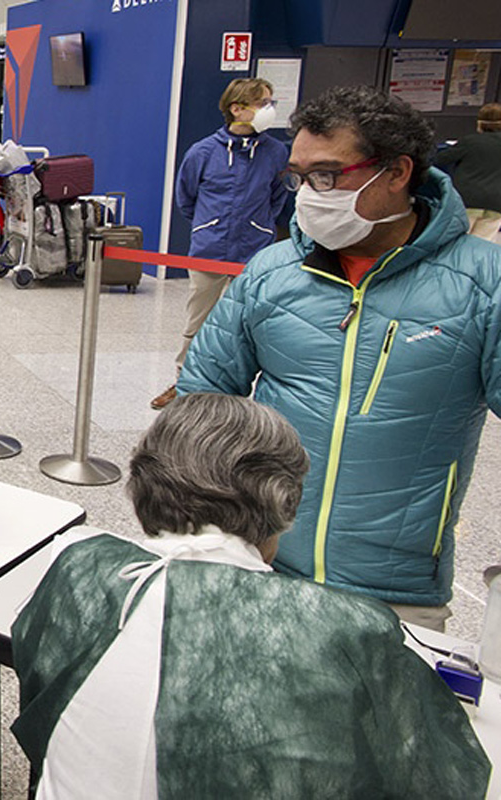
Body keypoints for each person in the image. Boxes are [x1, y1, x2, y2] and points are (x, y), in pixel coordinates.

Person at [11, 393, 489, 798]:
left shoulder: (79, 568)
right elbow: (438, 777)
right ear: (283, 502)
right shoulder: (344, 629)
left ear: (143, 486)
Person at [177, 85, 501, 631]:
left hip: (394, 592)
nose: (308, 194)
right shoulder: (271, 272)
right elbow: (200, 403)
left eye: (326, 176)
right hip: (263, 570)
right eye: (299, 178)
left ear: (397, 173)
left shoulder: (482, 281)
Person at [151, 77, 288, 410]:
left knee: (251, 324)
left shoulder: (276, 152)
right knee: (198, 321)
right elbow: (187, 198)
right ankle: (184, 382)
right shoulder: (203, 152)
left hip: (254, 250)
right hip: (210, 248)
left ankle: (240, 391)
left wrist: (260, 226)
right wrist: (208, 225)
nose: (268, 110)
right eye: (261, 103)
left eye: (271, 102)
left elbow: (277, 197)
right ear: (237, 108)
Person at [434, 103, 501, 242]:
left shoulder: (470, 141)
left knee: (455, 241)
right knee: (482, 243)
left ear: (480, 123)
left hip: (468, 201)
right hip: (497, 204)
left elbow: (440, 159)